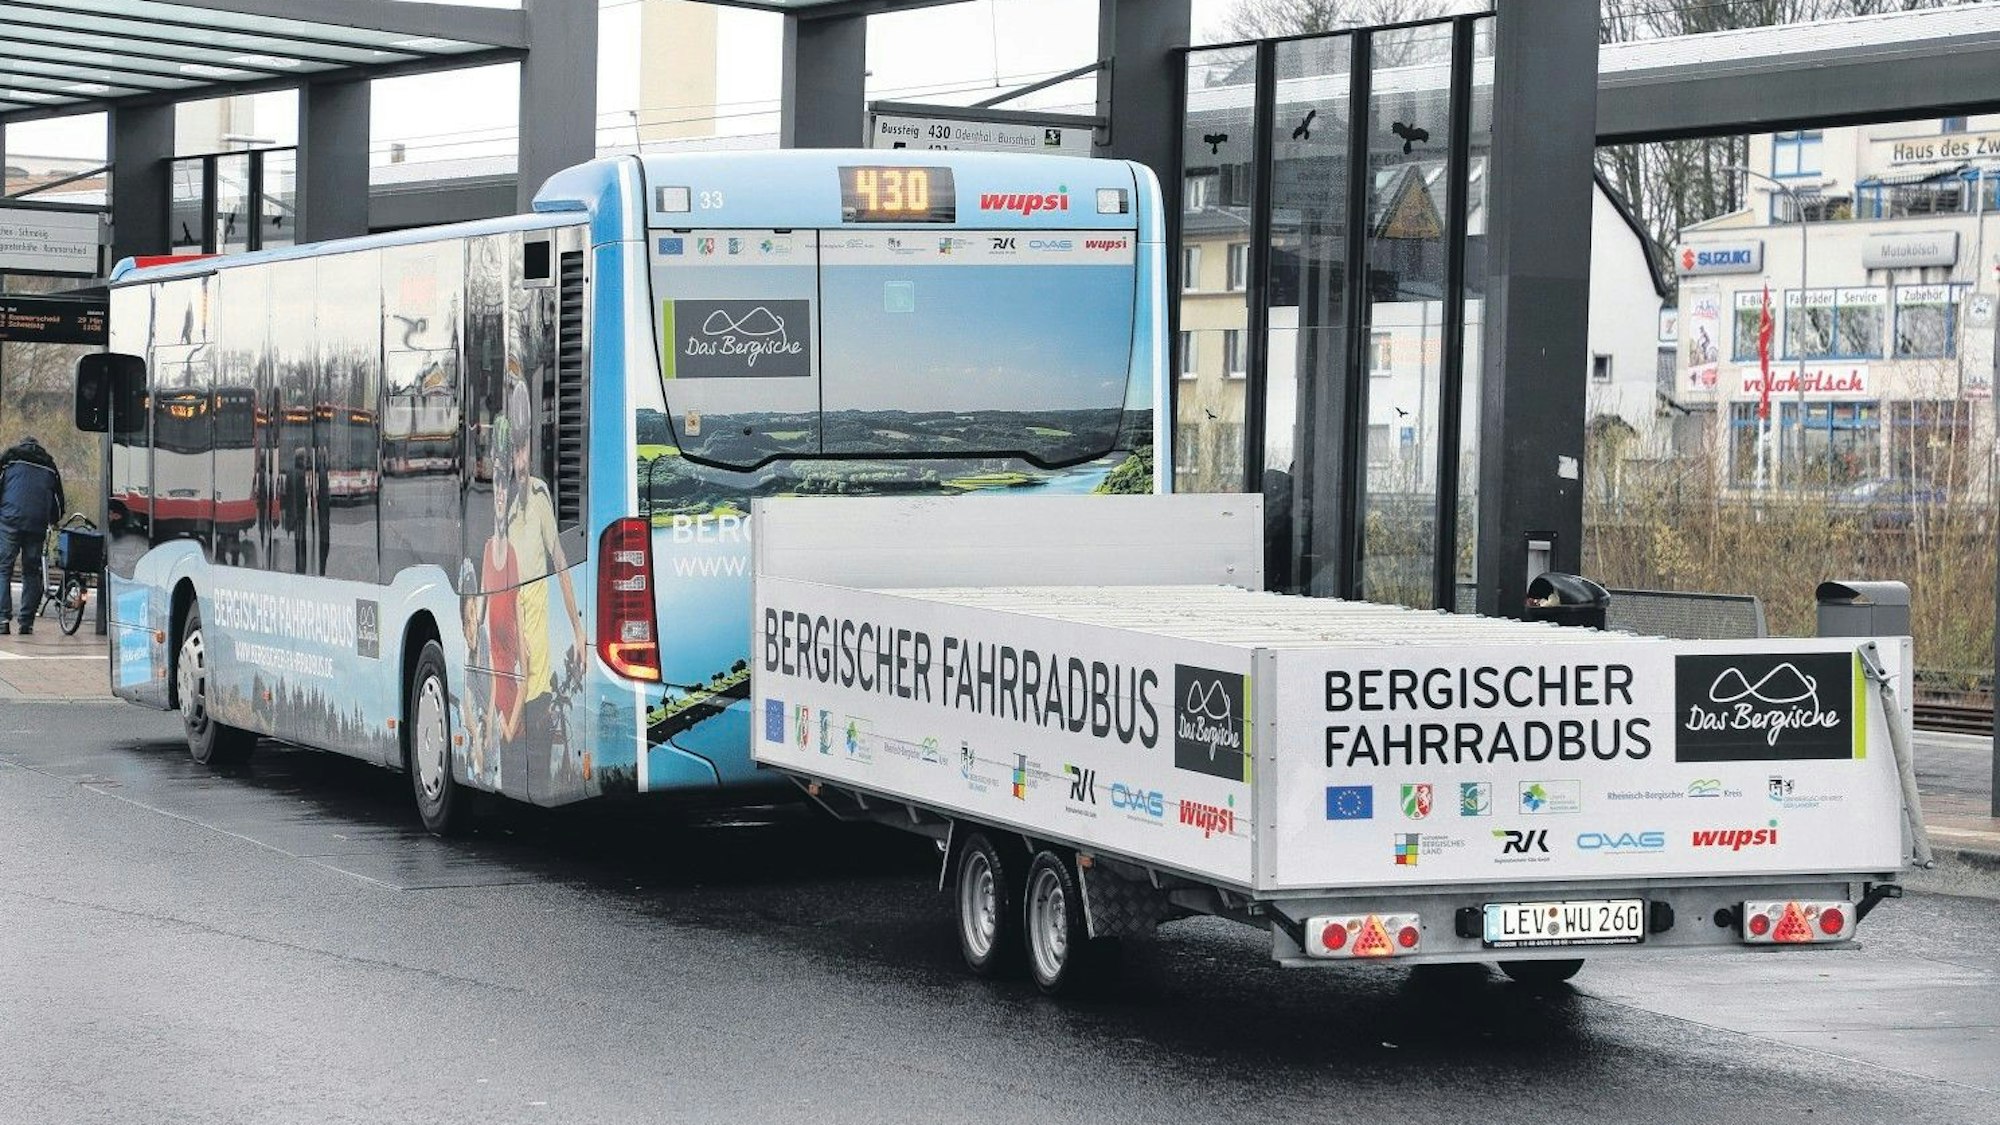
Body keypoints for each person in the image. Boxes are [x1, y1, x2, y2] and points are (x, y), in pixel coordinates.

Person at [0, 435, 66, 635]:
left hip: (10, 520)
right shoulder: (49, 466)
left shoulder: (9, 460)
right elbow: (58, 502)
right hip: (37, 523)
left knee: (3, 568)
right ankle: (26, 623)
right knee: (31, 571)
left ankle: (2, 619)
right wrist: (53, 519)